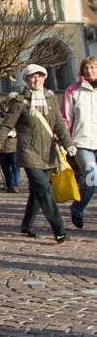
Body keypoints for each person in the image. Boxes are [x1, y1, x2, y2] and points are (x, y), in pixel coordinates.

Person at [0, 64, 75, 242]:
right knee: (44, 190)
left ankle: (27, 224)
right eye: (32, 77)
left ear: (44, 78)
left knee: (37, 191)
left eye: (39, 76)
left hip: (48, 152)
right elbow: (6, 126)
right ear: (27, 80)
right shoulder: (21, 102)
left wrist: (69, 144)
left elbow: (58, 123)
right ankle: (59, 229)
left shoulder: (50, 99)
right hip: (29, 153)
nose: (36, 80)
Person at [61, 57, 97, 229]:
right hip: (82, 143)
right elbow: (65, 118)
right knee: (92, 180)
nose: (89, 71)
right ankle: (78, 208)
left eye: (93, 67)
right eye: (86, 68)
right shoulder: (73, 91)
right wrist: (67, 141)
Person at [0, 98, 20, 192]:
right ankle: (9, 185)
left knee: (15, 166)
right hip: (2, 147)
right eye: (5, 106)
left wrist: (16, 133)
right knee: (5, 167)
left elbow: (21, 128)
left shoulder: (15, 116)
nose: (6, 108)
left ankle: (15, 185)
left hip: (13, 146)